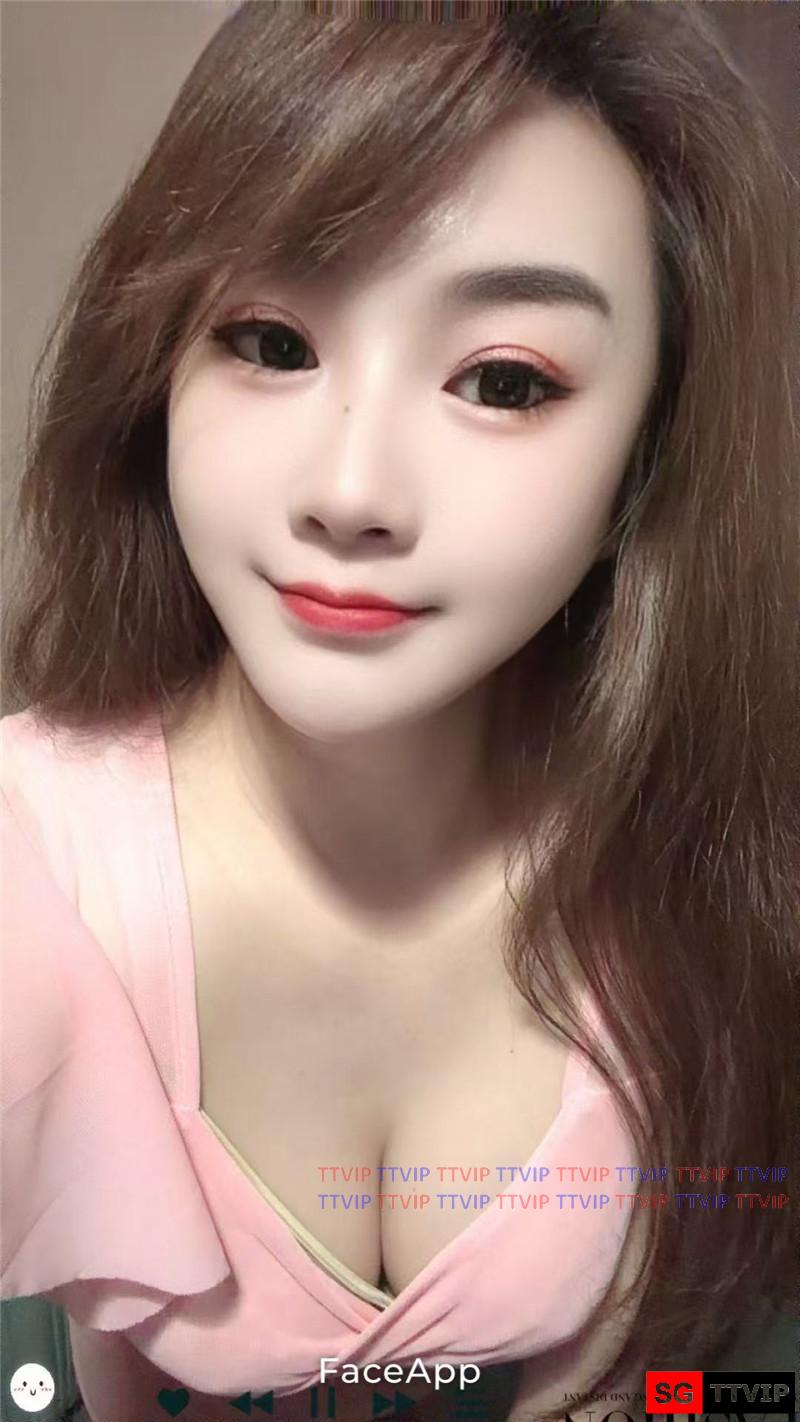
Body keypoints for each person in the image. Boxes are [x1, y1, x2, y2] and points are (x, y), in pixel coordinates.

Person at [2, 4, 797, 1422]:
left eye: (503, 380)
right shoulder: (28, 873)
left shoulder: (715, 860)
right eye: (269, 341)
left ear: (650, 451)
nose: (351, 490)